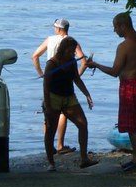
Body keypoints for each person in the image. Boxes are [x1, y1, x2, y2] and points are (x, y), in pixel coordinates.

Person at [85, 12, 136, 172]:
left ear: (123, 26)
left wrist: (96, 65)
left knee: (132, 126)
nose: (115, 30)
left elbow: (115, 71)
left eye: (115, 27)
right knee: (134, 124)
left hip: (130, 86)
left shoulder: (124, 46)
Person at [32, 18, 87, 154]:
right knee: (64, 114)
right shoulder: (72, 42)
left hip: (51, 82)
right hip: (66, 86)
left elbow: (35, 56)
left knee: (49, 118)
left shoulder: (50, 39)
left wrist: (42, 74)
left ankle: (49, 149)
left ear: (58, 29)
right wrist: (76, 76)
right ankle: (60, 145)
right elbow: (84, 62)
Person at [42, 36, 98, 171]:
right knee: (51, 130)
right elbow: (46, 86)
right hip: (53, 97)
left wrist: (87, 94)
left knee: (83, 124)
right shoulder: (52, 63)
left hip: (69, 98)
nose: (72, 54)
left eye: (73, 51)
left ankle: (84, 159)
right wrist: (48, 106)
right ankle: (51, 163)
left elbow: (77, 79)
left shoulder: (72, 62)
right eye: (70, 51)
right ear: (63, 50)